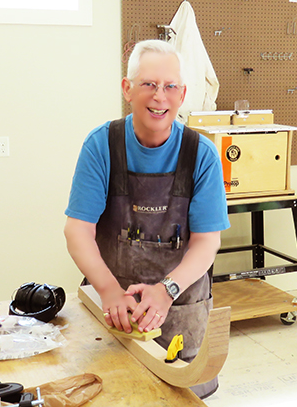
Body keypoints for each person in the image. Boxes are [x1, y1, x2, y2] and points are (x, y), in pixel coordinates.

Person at [64, 39, 229, 398]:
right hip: (114, 309)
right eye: (149, 84)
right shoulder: (101, 146)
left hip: (182, 304)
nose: (160, 97)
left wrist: (167, 290)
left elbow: (207, 241)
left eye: (170, 86)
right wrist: (108, 291)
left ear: (183, 94)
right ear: (127, 89)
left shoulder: (202, 155)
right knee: (114, 393)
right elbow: (78, 231)